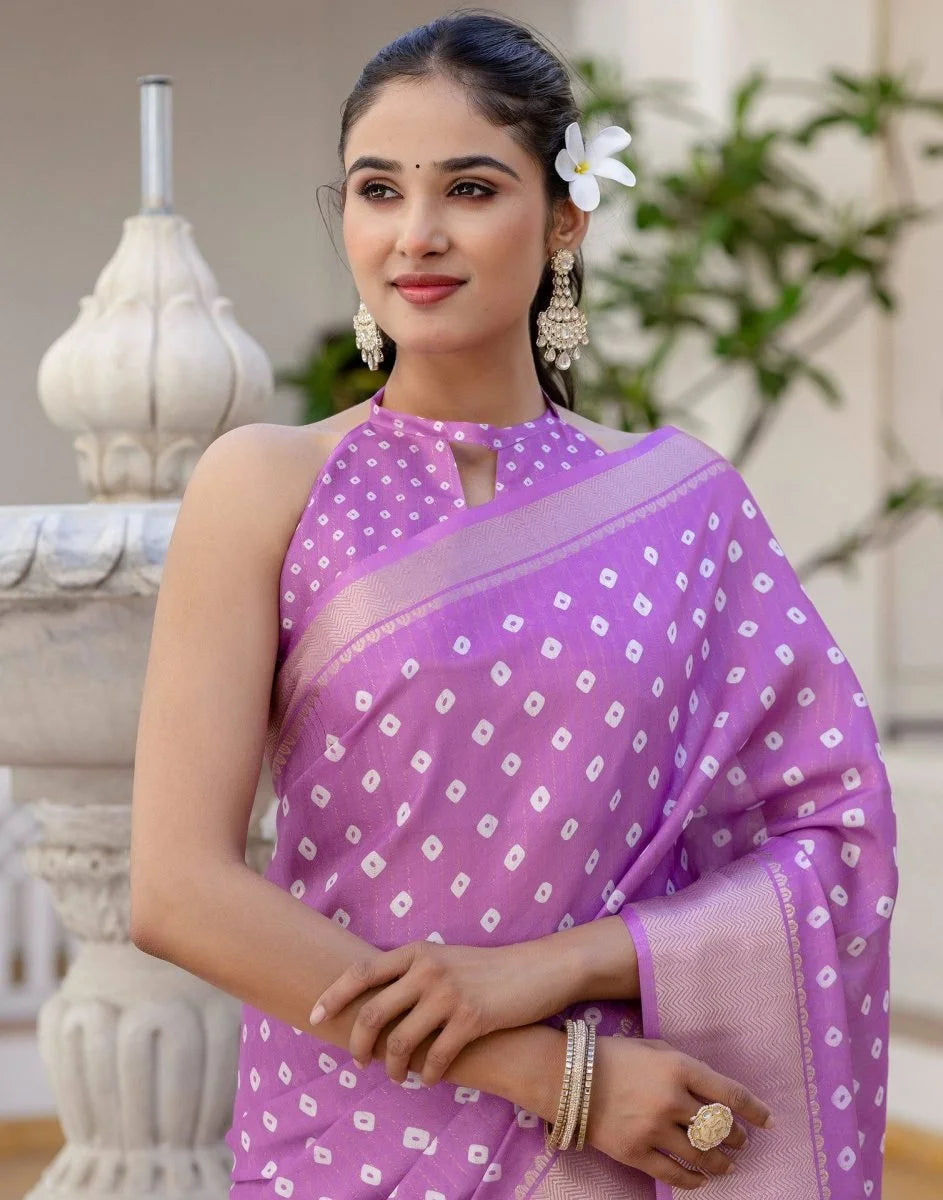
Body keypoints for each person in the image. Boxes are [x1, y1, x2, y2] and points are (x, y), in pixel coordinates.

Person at [129, 10, 899, 1199]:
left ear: (565, 219)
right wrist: (552, 1074)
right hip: (352, 1129)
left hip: (617, 1138)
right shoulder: (266, 485)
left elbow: (829, 839)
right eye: (377, 190)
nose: (416, 234)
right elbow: (178, 891)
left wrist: (555, 969)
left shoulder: (684, 504)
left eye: (471, 189)